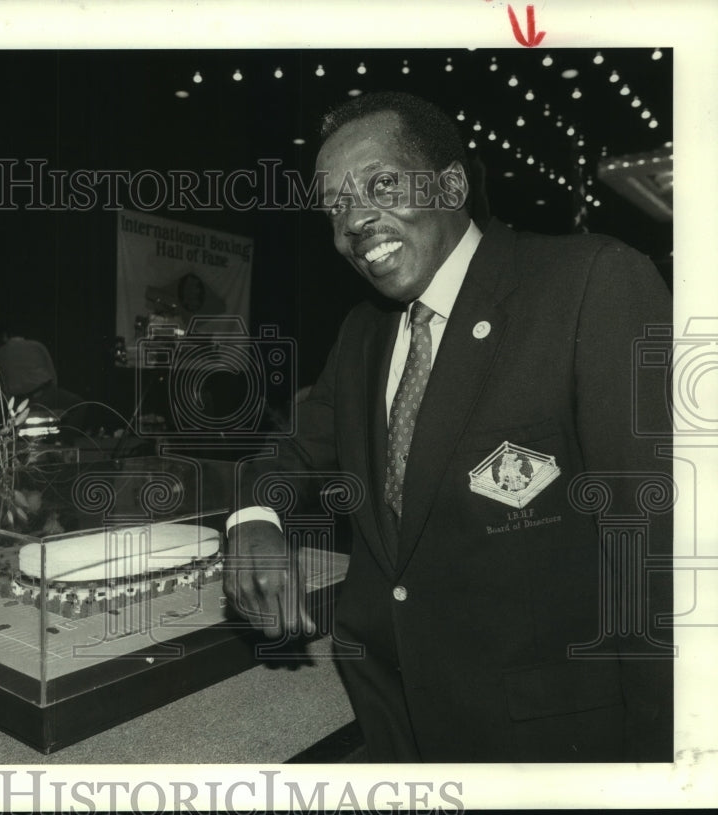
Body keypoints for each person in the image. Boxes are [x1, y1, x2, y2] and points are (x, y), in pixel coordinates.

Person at [224, 91, 673, 762]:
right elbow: (283, 459)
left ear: (452, 184)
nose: (354, 221)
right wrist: (253, 518)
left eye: (379, 184)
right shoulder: (362, 334)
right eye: (335, 204)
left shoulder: (589, 284)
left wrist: (662, 768)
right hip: (396, 725)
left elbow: (654, 559)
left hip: (550, 744)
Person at [0, 322, 58, 406]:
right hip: (48, 395)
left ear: (4, 336)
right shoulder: (38, 346)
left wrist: (9, 401)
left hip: (20, 403)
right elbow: (53, 376)